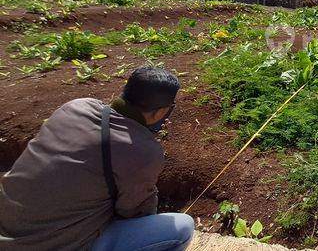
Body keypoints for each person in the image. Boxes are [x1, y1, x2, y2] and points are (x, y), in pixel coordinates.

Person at [0, 67, 194, 251]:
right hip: (54, 245)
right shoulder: (144, 151)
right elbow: (135, 213)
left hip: (6, 230)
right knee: (183, 228)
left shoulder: (75, 106)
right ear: (160, 112)